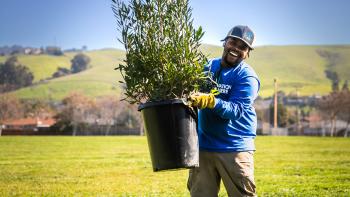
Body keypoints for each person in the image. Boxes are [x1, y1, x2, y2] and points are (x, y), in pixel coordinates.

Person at [188, 25, 260, 197]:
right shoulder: (207, 67)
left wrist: (211, 101)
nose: (236, 49)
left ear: (247, 53)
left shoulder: (247, 77)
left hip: (235, 148)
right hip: (204, 147)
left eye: (242, 47)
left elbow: (236, 110)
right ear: (225, 42)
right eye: (233, 42)